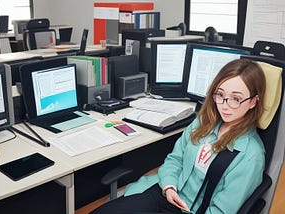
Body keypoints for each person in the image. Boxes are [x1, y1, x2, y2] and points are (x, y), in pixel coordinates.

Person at [91, 59, 266, 214]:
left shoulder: (250, 156)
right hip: (166, 191)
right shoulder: (204, 122)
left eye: (236, 99)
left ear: (253, 102)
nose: (224, 106)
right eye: (220, 95)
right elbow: (175, 159)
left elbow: (221, 211)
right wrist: (169, 187)